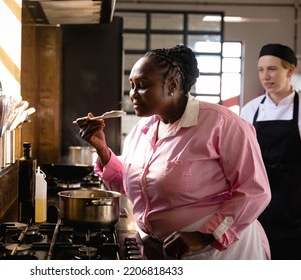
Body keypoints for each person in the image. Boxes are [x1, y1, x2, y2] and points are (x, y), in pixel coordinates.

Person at [74, 45, 271, 260]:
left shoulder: (223, 124)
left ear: (172, 85)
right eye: (131, 86)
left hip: (216, 253)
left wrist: (205, 235)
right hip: (160, 250)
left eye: (142, 86)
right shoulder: (143, 129)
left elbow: (254, 192)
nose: (132, 95)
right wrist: (102, 149)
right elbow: (132, 187)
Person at [240, 43, 301, 260]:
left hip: (295, 205)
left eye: (272, 69)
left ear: (290, 71)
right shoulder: (250, 110)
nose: (265, 76)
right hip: (259, 205)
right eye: (261, 69)